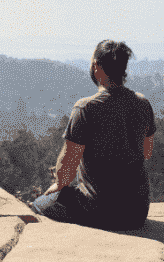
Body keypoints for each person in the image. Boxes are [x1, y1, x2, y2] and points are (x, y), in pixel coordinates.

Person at [31, 40, 156, 231]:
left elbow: (65, 174)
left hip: (99, 211)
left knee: (39, 204)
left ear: (96, 66)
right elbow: (146, 152)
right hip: (137, 212)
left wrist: (57, 186)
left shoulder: (86, 108)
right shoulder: (143, 104)